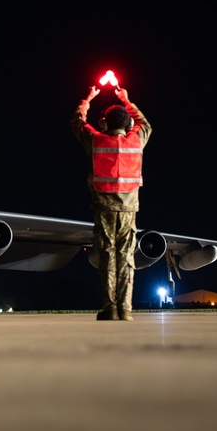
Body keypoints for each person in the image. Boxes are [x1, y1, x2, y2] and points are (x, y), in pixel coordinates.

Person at [71, 85, 152, 321]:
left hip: (103, 209)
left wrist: (88, 97)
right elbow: (145, 124)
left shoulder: (95, 141)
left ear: (104, 124)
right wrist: (127, 100)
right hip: (129, 210)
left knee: (106, 256)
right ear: (128, 125)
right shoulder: (136, 141)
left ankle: (110, 308)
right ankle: (125, 309)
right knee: (126, 257)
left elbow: (77, 121)